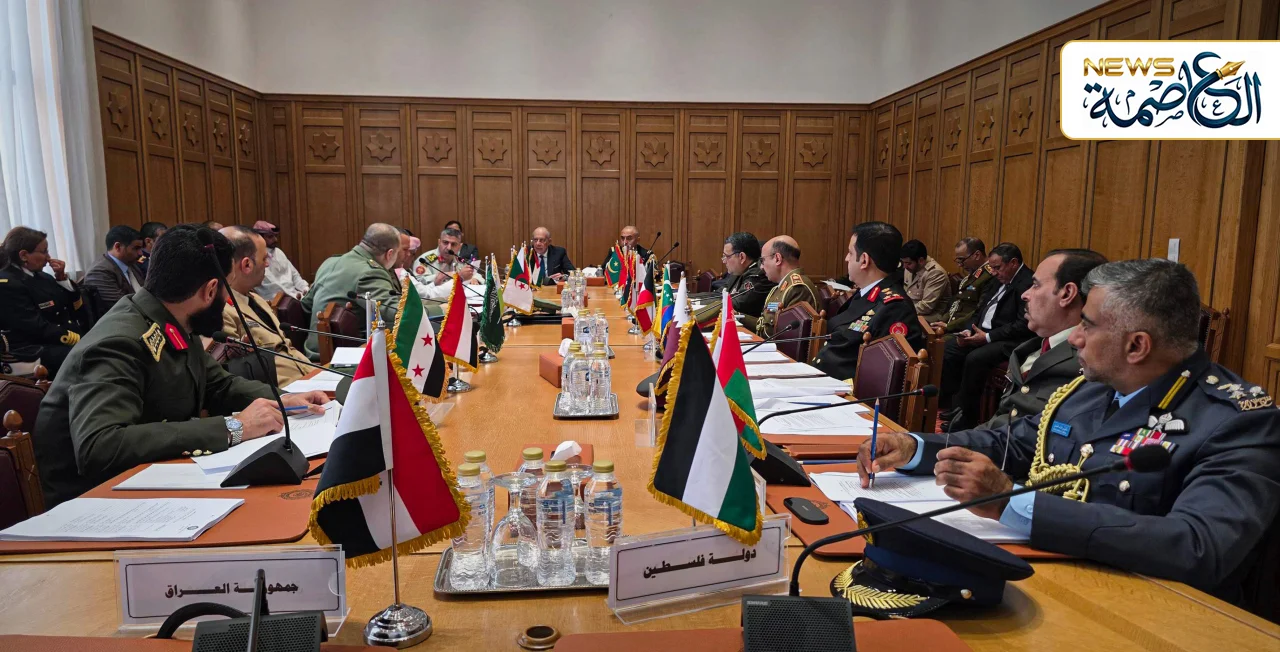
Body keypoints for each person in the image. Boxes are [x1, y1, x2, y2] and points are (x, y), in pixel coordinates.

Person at [857, 259, 1280, 606]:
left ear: (1137, 346)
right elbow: (1012, 442)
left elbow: (1199, 546)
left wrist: (1013, 502)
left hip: (1153, 610)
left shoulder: (1237, 421)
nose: (1075, 338)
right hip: (1052, 578)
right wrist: (915, 447)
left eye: (1088, 326)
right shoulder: (1092, 389)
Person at [32, 225, 329, 507]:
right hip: (97, 502)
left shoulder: (170, 320)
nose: (228, 299)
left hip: (152, 482)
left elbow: (219, 385)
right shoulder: (118, 341)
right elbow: (100, 445)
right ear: (210, 290)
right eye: (226, 290)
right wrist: (235, 427)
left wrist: (281, 400)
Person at [983, 248, 1107, 429]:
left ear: (1067, 294)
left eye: (1035, 285)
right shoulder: (1030, 348)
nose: (1025, 295)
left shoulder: (1087, 360)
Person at [940, 242, 1034, 431]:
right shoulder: (997, 279)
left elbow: (1022, 325)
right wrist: (968, 330)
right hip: (984, 332)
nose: (994, 272)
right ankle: (956, 405)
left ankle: (968, 417)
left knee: (975, 358)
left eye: (997, 267)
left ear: (1013, 263)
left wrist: (988, 337)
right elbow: (979, 310)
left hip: (1009, 340)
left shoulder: (1027, 283)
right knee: (950, 348)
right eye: (992, 268)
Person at [813, 222, 924, 379]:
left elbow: (881, 378)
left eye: (850, 253)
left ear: (864, 260)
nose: (846, 258)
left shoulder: (895, 308)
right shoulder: (867, 293)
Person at [218, 226, 313, 386]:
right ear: (247, 265)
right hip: (281, 393)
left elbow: (287, 348)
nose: (267, 264)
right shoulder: (222, 312)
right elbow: (237, 378)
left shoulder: (257, 299)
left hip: (307, 379)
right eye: (264, 259)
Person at [301, 223, 404, 360]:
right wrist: (430, 310)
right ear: (390, 254)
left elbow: (305, 306)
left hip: (312, 351)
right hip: (343, 359)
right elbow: (397, 314)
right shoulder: (370, 272)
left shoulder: (330, 262)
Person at [0, 227, 90, 377]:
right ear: (24, 255)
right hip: (28, 352)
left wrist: (62, 279)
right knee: (89, 359)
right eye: (44, 252)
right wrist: (78, 339)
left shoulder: (43, 277)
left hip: (51, 342)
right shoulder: (7, 283)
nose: (48, 258)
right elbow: (35, 327)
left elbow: (73, 307)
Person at [740, 236, 819, 338]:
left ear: (777, 259)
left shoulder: (797, 288)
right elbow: (765, 326)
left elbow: (787, 337)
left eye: (762, 260)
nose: (761, 267)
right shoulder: (781, 287)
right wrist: (738, 316)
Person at [692, 232, 775, 325]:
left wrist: (694, 305)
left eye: (726, 256)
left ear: (742, 257)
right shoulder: (739, 271)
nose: (724, 261)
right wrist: (691, 299)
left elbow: (734, 303)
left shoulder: (758, 277)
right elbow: (719, 294)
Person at [934, 237, 995, 333]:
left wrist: (949, 326)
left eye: (962, 260)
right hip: (952, 326)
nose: (960, 265)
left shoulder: (989, 276)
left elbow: (979, 311)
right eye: (958, 260)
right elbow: (956, 304)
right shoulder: (973, 275)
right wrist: (942, 322)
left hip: (966, 330)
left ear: (977, 255)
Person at [82, 225, 146, 313]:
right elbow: (122, 307)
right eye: (136, 248)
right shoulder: (99, 273)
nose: (140, 253)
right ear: (118, 247)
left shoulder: (131, 264)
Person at [251, 220, 310, 301]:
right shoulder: (257, 257)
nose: (275, 239)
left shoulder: (279, 252)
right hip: (275, 300)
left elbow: (295, 275)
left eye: (275, 236)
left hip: (294, 297)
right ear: (260, 238)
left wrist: (305, 288)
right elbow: (275, 287)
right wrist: (298, 297)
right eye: (270, 237)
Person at [901, 239, 952, 323]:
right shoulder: (910, 267)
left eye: (908, 263)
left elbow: (926, 307)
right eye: (903, 262)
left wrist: (901, 310)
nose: (904, 267)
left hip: (931, 316)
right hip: (912, 310)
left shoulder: (935, 273)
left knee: (898, 322)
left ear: (921, 261)